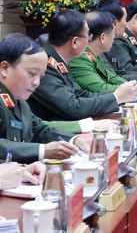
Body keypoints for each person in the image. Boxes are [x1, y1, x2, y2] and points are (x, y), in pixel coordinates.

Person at [28, 10, 137, 121]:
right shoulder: (44, 65)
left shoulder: (59, 60)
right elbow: (74, 107)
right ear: (75, 42)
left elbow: (80, 94)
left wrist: (118, 95)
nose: (89, 41)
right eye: (88, 36)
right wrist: (116, 97)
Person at [0, 33, 90, 163]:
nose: (36, 82)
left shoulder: (20, 102)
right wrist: (42, 150)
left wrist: (74, 140)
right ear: (5, 68)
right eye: (32, 74)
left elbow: (40, 129)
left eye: (41, 77)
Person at [70, 11, 137, 94]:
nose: (114, 39)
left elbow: (111, 77)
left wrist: (131, 85)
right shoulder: (79, 58)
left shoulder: (94, 54)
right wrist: (130, 90)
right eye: (114, 34)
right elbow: (100, 88)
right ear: (102, 37)